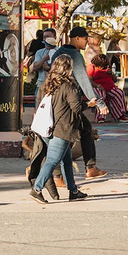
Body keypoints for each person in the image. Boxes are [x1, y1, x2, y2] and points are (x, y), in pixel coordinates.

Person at [30, 56, 90, 203]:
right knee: (52, 160)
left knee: (67, 160)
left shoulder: (46, 83)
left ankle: (73, 190)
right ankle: (37, 189)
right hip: (62, 129)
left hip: (46, 128)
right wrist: (90, 104)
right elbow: (75, 108)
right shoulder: (69, 86)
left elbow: (38, 105)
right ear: (68, 68)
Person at [51, 26, 107, 179]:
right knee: (65, 138)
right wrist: (100, 103)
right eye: (84, 39)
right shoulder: (75, 56)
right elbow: (84, 81)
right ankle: (56, 176)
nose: (86, 42)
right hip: (70, 101)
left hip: (57, 100)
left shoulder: (57, 53)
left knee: (84, 130)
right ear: (77, 38)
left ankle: (90, 167)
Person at [88, 54, 128, 123]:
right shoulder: (91, 67)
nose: (103, 67)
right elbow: (89, 81)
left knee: (119, 93)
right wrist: (98, 85)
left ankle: (120, 115)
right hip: (97, 87)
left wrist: (112, 74)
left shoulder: (107, 68)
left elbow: (115, 79)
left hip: (109, 87)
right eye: (101, 66)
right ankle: (100, 117)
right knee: (101, 95)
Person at [28, 28, 57, 103]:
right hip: (42, 85)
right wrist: (44, 58)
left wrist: (49, 69)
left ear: (55, 37)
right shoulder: (40, 52)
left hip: (56, 86)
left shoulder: (59, 51)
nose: (46, 39)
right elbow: (35, 67)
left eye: (48, 37)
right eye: (44, 37)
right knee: (38, 110)